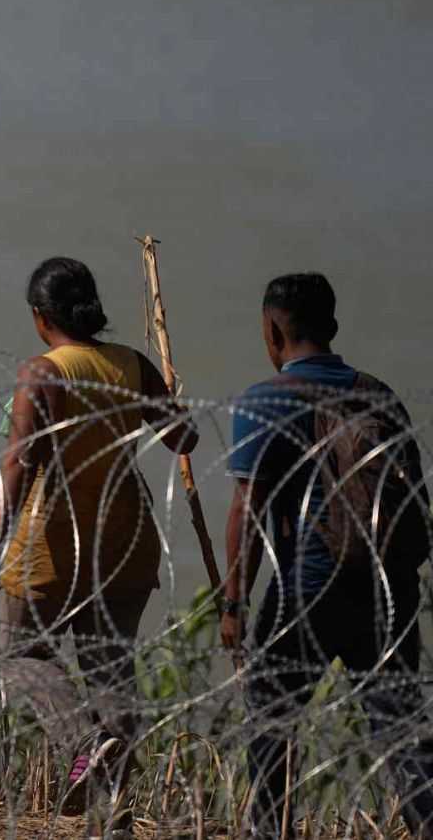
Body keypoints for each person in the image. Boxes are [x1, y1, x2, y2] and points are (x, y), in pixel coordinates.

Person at [0, 257, 198, 818]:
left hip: (52, 537)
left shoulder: (42, 374)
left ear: (38, 316)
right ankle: (115, 809)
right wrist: (169, 389)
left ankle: (81, 744)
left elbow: (19, 466)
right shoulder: (134, 365)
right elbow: (183, 438)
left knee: (21, 653)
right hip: (124, 536)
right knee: (108, 666)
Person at [221, 273, 432, 838]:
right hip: (389, 588)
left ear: (271, 329)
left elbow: (247, 509)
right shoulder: (377, 393)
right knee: (400, 730)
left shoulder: (268, 398)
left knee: (272, 718)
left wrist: (235, 602)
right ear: (332, 326)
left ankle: (272, 830)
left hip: (306, 588)